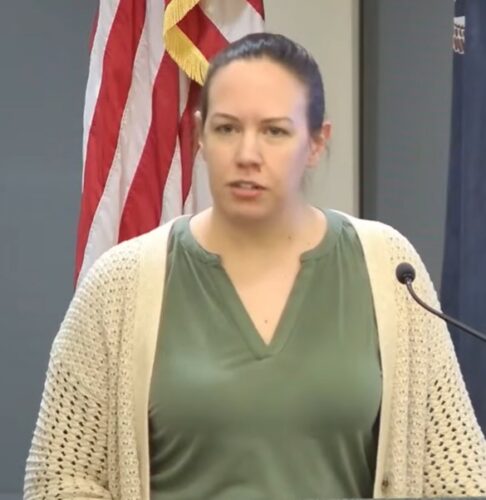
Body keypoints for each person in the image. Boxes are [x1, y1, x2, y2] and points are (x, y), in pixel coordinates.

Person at [24, 32, 486, 499]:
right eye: (227, 129)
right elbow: (59, 479)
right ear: (200, 135)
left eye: (274, 131)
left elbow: (459, 476)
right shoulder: (120, 284)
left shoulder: (389, 268)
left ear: (317, 143)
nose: (247, 155)